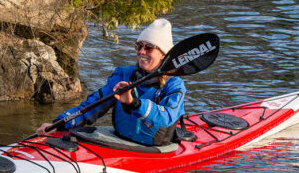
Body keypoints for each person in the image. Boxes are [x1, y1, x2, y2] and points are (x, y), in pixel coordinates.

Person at [36, 18, 186, 146]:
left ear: (163, 54)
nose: (141, 52)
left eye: (149, 47)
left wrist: (135, 103)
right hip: (119, 139)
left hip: (155, 148)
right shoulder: (124, 75)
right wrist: (59, 124)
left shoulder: (174, 85)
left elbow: (166, 118)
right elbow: (93, 105)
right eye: (139, 46)